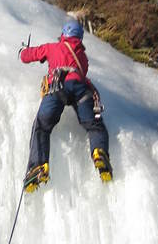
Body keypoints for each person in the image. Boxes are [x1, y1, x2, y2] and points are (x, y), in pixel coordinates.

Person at [19, 18, 112, 191]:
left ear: (64, 34)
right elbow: (80, 74)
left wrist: (23, 51)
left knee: (41, 127)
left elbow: (28, 56)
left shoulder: (53, 47)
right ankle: (99, 152)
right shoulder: (82, 57)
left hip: (58, 88)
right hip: (81, 92)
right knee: (95, 126)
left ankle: (38, 166)